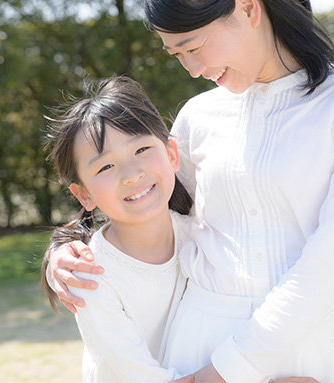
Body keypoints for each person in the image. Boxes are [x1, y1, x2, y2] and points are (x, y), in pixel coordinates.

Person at [43, 0, 334, 382]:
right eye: (177, 55)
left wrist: (231, 369)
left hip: (319, 344)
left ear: (247, 8)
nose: (192, 70)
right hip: (200, 347)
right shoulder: (199, 116)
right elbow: (150, 212)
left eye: (193, 48)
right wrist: (66, 247)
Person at [42, 75, 316, 383]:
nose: (131, 174)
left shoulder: (198, 231)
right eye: (106, 167)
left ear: (173, 154)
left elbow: (264, 284)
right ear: (84, 195)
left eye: (142, 149)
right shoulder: (91, 276)